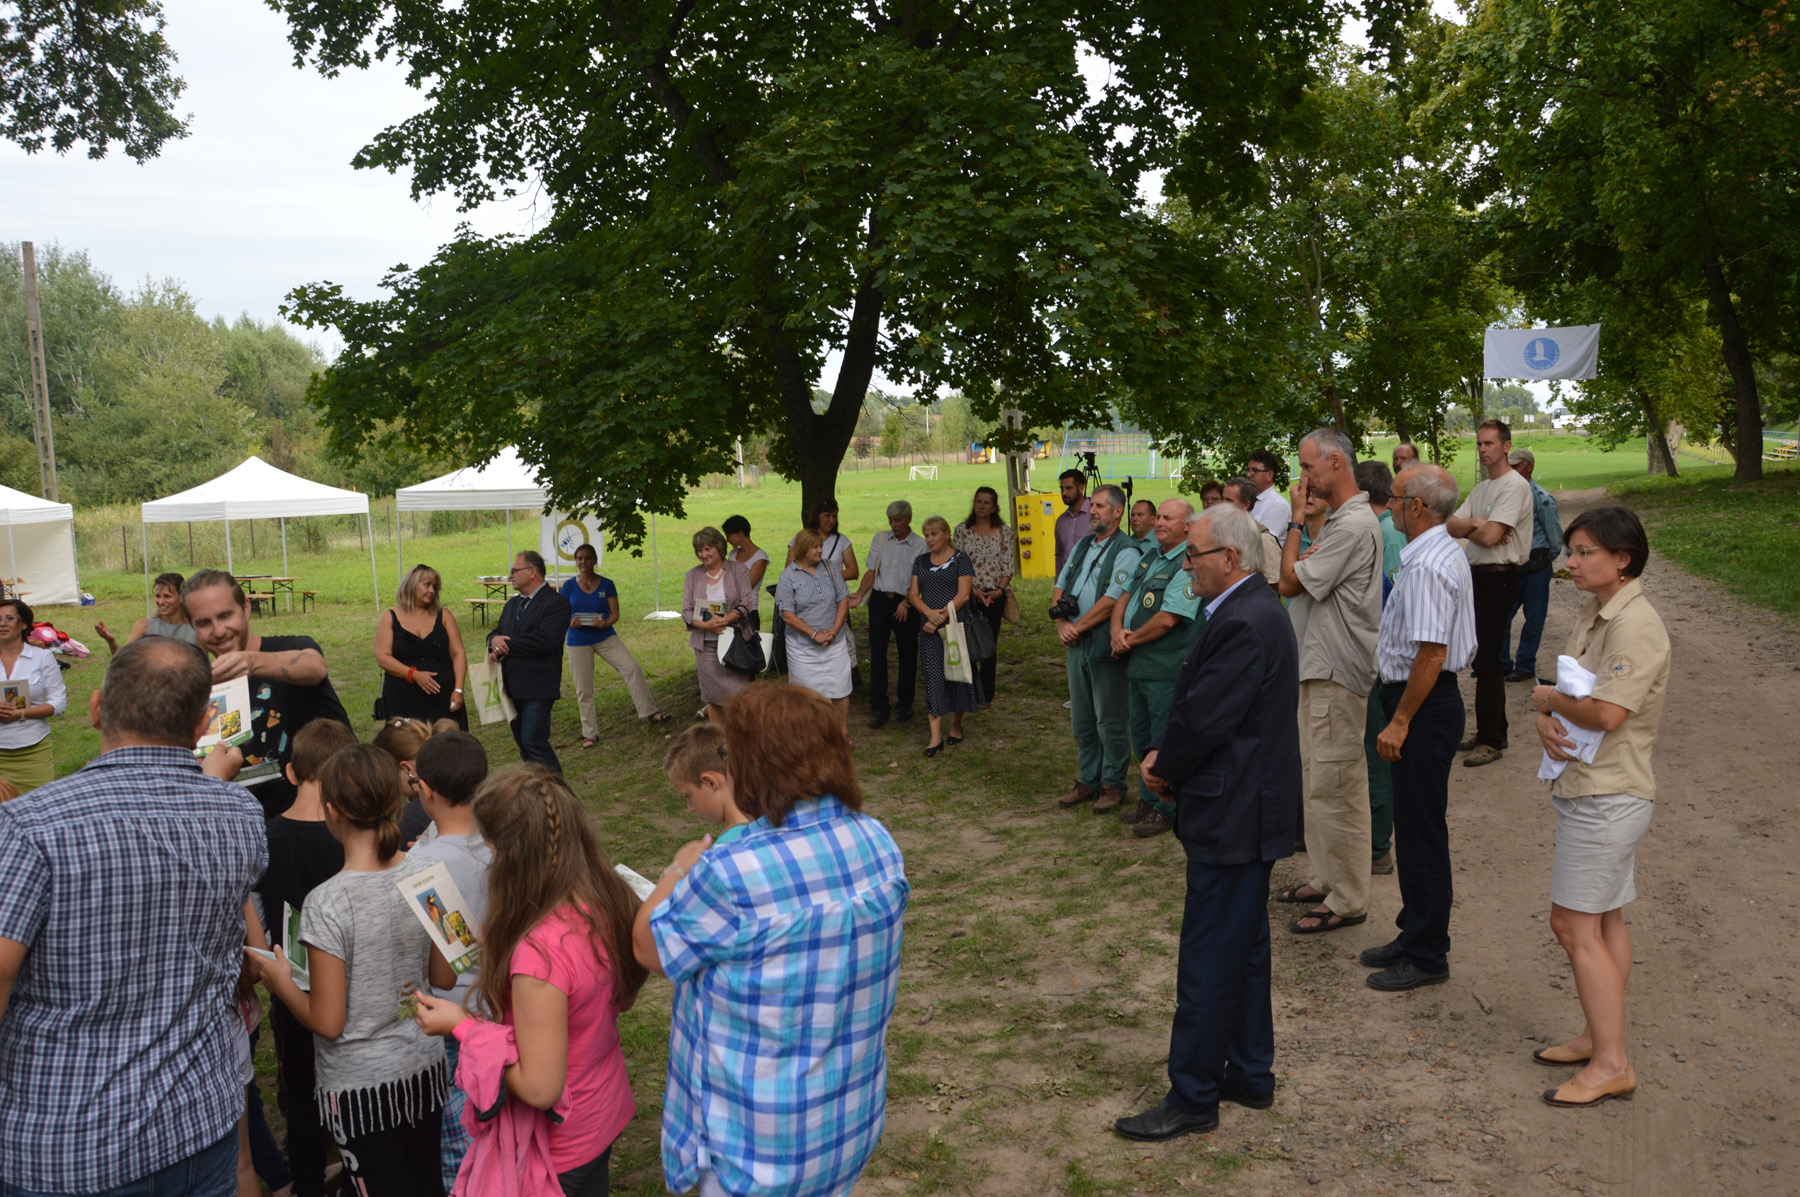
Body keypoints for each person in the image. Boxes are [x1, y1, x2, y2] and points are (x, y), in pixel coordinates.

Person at [0, 636, 266, 1196]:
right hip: (199, 1126)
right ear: (202, 725)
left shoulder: (27, 828)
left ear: (97, 708)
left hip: (68, 1146)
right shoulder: (240, 813)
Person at [632, 684, 908, 1197]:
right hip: (844, 1125)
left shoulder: (731, 871)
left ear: (757, 762)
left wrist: (675, 871)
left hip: (755, 1151)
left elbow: (649, 949)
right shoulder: (878, 841)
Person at [1114, 504, 1300, 1142]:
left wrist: (1165, 767)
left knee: (1210, 955)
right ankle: (1248, 1070)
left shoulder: (1245, 619)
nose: (1185, 565)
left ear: (1230, 558)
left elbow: (1207, 717)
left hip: (1234, 811)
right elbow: (1201, 703)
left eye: (1193, 554)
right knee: (1242, 947)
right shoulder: (1244, 609)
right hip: (1243, 806)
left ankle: (1192, 1095)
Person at [413, 765, 647, 1195]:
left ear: (513, 857)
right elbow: (610, 998)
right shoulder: (605, 899)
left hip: (557, 1148)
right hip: (602, 1110)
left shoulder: (538, 957)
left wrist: (461, 1026)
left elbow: (540, 1088)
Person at [246, 744, 450, 1197]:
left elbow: (328, 1021)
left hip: (361, 1092)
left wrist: (281, 981)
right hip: (424, 1069)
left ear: (332, 812)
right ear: (395, 802)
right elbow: (446, 977)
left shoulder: (326, 903)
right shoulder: (431, 871)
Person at [1528, 507, 1669, 1107]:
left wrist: (1544, 697)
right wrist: (1546, 715)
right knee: (1607, 919)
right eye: (1571, 550)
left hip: (1608, 796)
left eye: (1584, 551)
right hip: (1593, 788)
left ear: (1623, 558)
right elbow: (1575, 695)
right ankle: (1598, 1038)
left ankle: (1612, 1064)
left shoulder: (1635, 625)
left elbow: (1607, 712)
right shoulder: (1598, 612)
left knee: (1572, 925)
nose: (1571, 562)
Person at [1362, 464, 1476, 992]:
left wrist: (1400, 720)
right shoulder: (1434, 552)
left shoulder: (1429, 564)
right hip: (1422, 700)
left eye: (1394, 497)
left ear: (1416, 507)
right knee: (1412, 830)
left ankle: (1428, 954)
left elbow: (1431, 653)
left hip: (1422, 705)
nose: (1387, 504)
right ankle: (1414, 933)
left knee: (1422, 834)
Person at [1274, 429, 1384, 935]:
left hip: (1336, 672)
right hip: (1317, 668)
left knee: (1338, 787)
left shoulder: (1354, 525)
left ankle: (1349, 897)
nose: (1303, 478)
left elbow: (1289, 581)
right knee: (1317, 783)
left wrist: (1296, 520)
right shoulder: (1340, 521)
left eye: (1308, 467)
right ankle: (1326, 878)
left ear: (1336, 462)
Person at [256, 718, 361, 1197]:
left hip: (291, 986)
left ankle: (307, 1182)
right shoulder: (351, 838)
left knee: (299, 1092)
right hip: (351, 984)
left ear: (291, 772)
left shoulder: (265, 839)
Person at [184, 569, 353, 819]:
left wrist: (250, 662)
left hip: (336, 816)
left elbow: (315, 667)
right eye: (204, 623)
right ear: (192, 627)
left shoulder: (287, 648)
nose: (218, 631)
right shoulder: (202, 690)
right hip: (261, 826)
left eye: (225, 616)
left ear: (246, 608)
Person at [1110, 498, 1202, 839]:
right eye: (1158, 517)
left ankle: (1166, 808)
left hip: (1166, 668)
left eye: (1168, 518)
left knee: (1164, 740)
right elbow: (1123, 595)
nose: (1159, 522)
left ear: (1188, 526)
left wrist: (1128, 641)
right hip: (1140, 665)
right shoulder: (1151, 556)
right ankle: (1148, 801)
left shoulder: (1187, 563)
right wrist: (1116, 632)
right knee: (1142, 737)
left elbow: (1167, 619)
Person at [1446, 420, 1534, 767]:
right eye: (1480, 444)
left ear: (1506, 446)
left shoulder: (1514, 486)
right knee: (1482, 658)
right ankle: (1493, 729)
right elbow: (1450, 524)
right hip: (1477, 577)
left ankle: (1491, 739)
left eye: (1489, 444)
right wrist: (1475, 525)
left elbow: (1489, 537)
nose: (1483, 449)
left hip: (1500, 577)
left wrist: (1475, 529)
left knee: (1488, 659)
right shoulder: (1483, 488)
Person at [1052, 484, 1142, 814]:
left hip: (1104, 644)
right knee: (1082, 718)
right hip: (1076, 643)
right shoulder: (1083, 545)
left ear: (1118, 511)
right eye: (1092, 505)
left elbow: (1112, 600)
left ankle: (1113, 784)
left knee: (1110, 718)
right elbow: (1060, 586)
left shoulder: (1127, 550)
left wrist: (1076, 627)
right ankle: (1088, 779)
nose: (1092, 511)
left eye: (1101, 506)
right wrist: (1062, 624)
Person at [562, 543, 669, 749]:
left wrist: (605, 623)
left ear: (595, 561)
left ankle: (650, 712)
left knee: (631, 668)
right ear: (575, 561)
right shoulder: (568, 586)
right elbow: (561, 614)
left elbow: (615, 614)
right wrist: (569, 622)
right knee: (584, 689)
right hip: (578, 641)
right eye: (580, 558)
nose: (583, 562)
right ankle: (589, 733)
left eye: (588, 558)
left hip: (604, 636)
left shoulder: (606, 584)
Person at [1355, 459, 1408, 874]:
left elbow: (1390, 605)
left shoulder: (1386, 535)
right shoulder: (1387, 529)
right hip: (1381, 659)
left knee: (1377, 757)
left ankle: (1378, 847)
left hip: (1380, 662)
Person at [487, 550, 574, 773]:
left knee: (534, 741)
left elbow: (545, 640)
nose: (510, 576)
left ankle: (557, 790)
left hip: (538, 687)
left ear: (532, 572)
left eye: (515, 571)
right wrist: (493, 642)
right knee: (524, 746)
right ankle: (538, 789)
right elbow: (497, 632)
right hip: (512, 687)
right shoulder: (512, 604)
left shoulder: (556, 603)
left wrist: (506, 645)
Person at [909, 515, 982, 756]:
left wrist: (940, 617)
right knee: (933, 677)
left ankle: (956, 725)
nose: (929, 539)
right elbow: (913, 595)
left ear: (947, 534)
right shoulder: (920, 561)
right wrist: (930, 615)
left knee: (957, 675)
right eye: (926, 535)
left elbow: (963, 595)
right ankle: (935, 737)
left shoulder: (961, 559)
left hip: (955, 626)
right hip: (928, 627)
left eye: (934, 534)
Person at [854, 501, 928, 729]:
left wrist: (906, 602)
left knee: (907, 653)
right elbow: (871, 571)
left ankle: (904, 704)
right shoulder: (880, 539)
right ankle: (879, 706)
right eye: (890, 520)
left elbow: (922, 580)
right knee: (877, 653)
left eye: (898, 520)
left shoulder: (921, 546)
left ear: (908, 519)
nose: (893, 524)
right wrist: (859, 594)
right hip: (879, 601)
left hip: (906, 602)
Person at [777, 527, 854, 735]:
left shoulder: (830, 568)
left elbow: (843, 599)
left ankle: (842, 734)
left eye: (821, 546)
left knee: (840, 689)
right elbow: (787, 615)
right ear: (802, 549)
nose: (820, 550)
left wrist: (834, 630)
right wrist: (814, 635)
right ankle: (812, 737)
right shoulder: (787, 577)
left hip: (835, 643)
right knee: (806, 696)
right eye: (814, 547)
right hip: (802, 649)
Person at [376, 565, 469, 730]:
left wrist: (459, 690)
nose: (432, 590)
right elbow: (382, 658)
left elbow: (458, 653)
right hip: (403, 700)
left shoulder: (444, 616)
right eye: (427, 585)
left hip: (443, 699)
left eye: (435, 587)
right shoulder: (389, 617)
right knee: (407, 743)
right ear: (411, 585)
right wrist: (414, 674)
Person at [683, 527, 757, 725]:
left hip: (735, 644)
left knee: (738, 697)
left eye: (708, 549)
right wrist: (706, 626)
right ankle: (718, 738)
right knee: (713, 698)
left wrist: (724, 621)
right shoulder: (692, 575)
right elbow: (687, 612)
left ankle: (742, 736)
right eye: (699, 550)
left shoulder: (738, 570)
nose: (703, 554)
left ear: (719, 548)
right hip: (706, 647)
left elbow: (746, 603)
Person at [1503, 448, 1563, 683]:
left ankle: (1525, 665)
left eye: (1517, 466)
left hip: (1536, 568)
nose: (1512, 470)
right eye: (1510, 466)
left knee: (1534, 619)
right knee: (1502, 617)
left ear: (1529, 466)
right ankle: (1502, 664)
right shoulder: (1506, 495)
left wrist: (1544, 560)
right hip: (1511, 567)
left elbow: (1555, 536)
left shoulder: (1541, 498)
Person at [953, 485, 1015, 702]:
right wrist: (972, 591)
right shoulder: (962, 531)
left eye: (987, 503)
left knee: (989, 643)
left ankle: (986, 692)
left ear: (994, 507)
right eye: (978, 501)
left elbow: (1008, 566)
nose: (981, 506)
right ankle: (970, 689)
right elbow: (957, 564)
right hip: (967, 594)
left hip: (995, 595)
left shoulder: (1005, 532)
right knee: (967, 641)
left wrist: (999, 590)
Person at [0, 598, 67, 794]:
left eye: (9, 618)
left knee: (38, 806)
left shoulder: (42, 657)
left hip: (33, 750)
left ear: (24, 624)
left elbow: (59, 703)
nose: (2, 623)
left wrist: (22, 713)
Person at [662, 722, 749, 844]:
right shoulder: (772, 819)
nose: (690, 808)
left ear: (711, 783)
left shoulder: (728, 847)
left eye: (688, 795)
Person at [94, 570, 197, 652]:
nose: (161, 602)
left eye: (167, 596)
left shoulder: (195, 628)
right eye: (158, 596)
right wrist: (111, 641)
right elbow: (122, 659)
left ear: (181, 597)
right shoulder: (144, 626)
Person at [783, 498, 859, 583]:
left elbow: (853, 572)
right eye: (827, 516)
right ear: (817, 516)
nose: (832, 520)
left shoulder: (842, 540)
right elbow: (789, 571)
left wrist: (829, 576)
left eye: (834, 516)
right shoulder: (801, 538)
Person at [1223, 477, 1281, 586]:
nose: (1222, 505)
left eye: (1229, 501)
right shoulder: (1220, 534)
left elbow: (1274, 586)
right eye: (1223, 499)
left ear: (1246, 504)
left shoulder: (1263, 540)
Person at [722, 515, 770, 614]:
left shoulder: (760, 558)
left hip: (748, 612)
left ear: (740, 533)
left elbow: (745, 588)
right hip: (730, 609)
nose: (727, 540)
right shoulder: (732, 554)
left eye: (728, 536)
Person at [1245, 450, 1291, 544]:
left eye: (1255, 471)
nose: (1249, 475)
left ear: (1269, 475)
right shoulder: (1245, 499)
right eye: (1248, 470)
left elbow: (1260, 542)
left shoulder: (1279, 505)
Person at [1053, 467, 1091, 576]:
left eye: (1069, 488)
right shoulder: (1061, 521)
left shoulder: (1096, 516)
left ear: (1081, 488)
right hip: (1067, 582)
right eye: (1062, 489)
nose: (1064, 493)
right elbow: (1059, 555)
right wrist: (1058, 581)